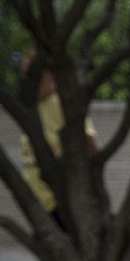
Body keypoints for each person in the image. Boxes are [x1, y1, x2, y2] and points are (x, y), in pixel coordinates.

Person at [17, 54, 99, 232]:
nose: (28, 81)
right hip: (38, 199)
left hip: (59, 199)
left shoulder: (60, 103)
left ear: (50, 76)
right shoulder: (31, 107)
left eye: (34, 76)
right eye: (24, 75)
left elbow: (89, 142)